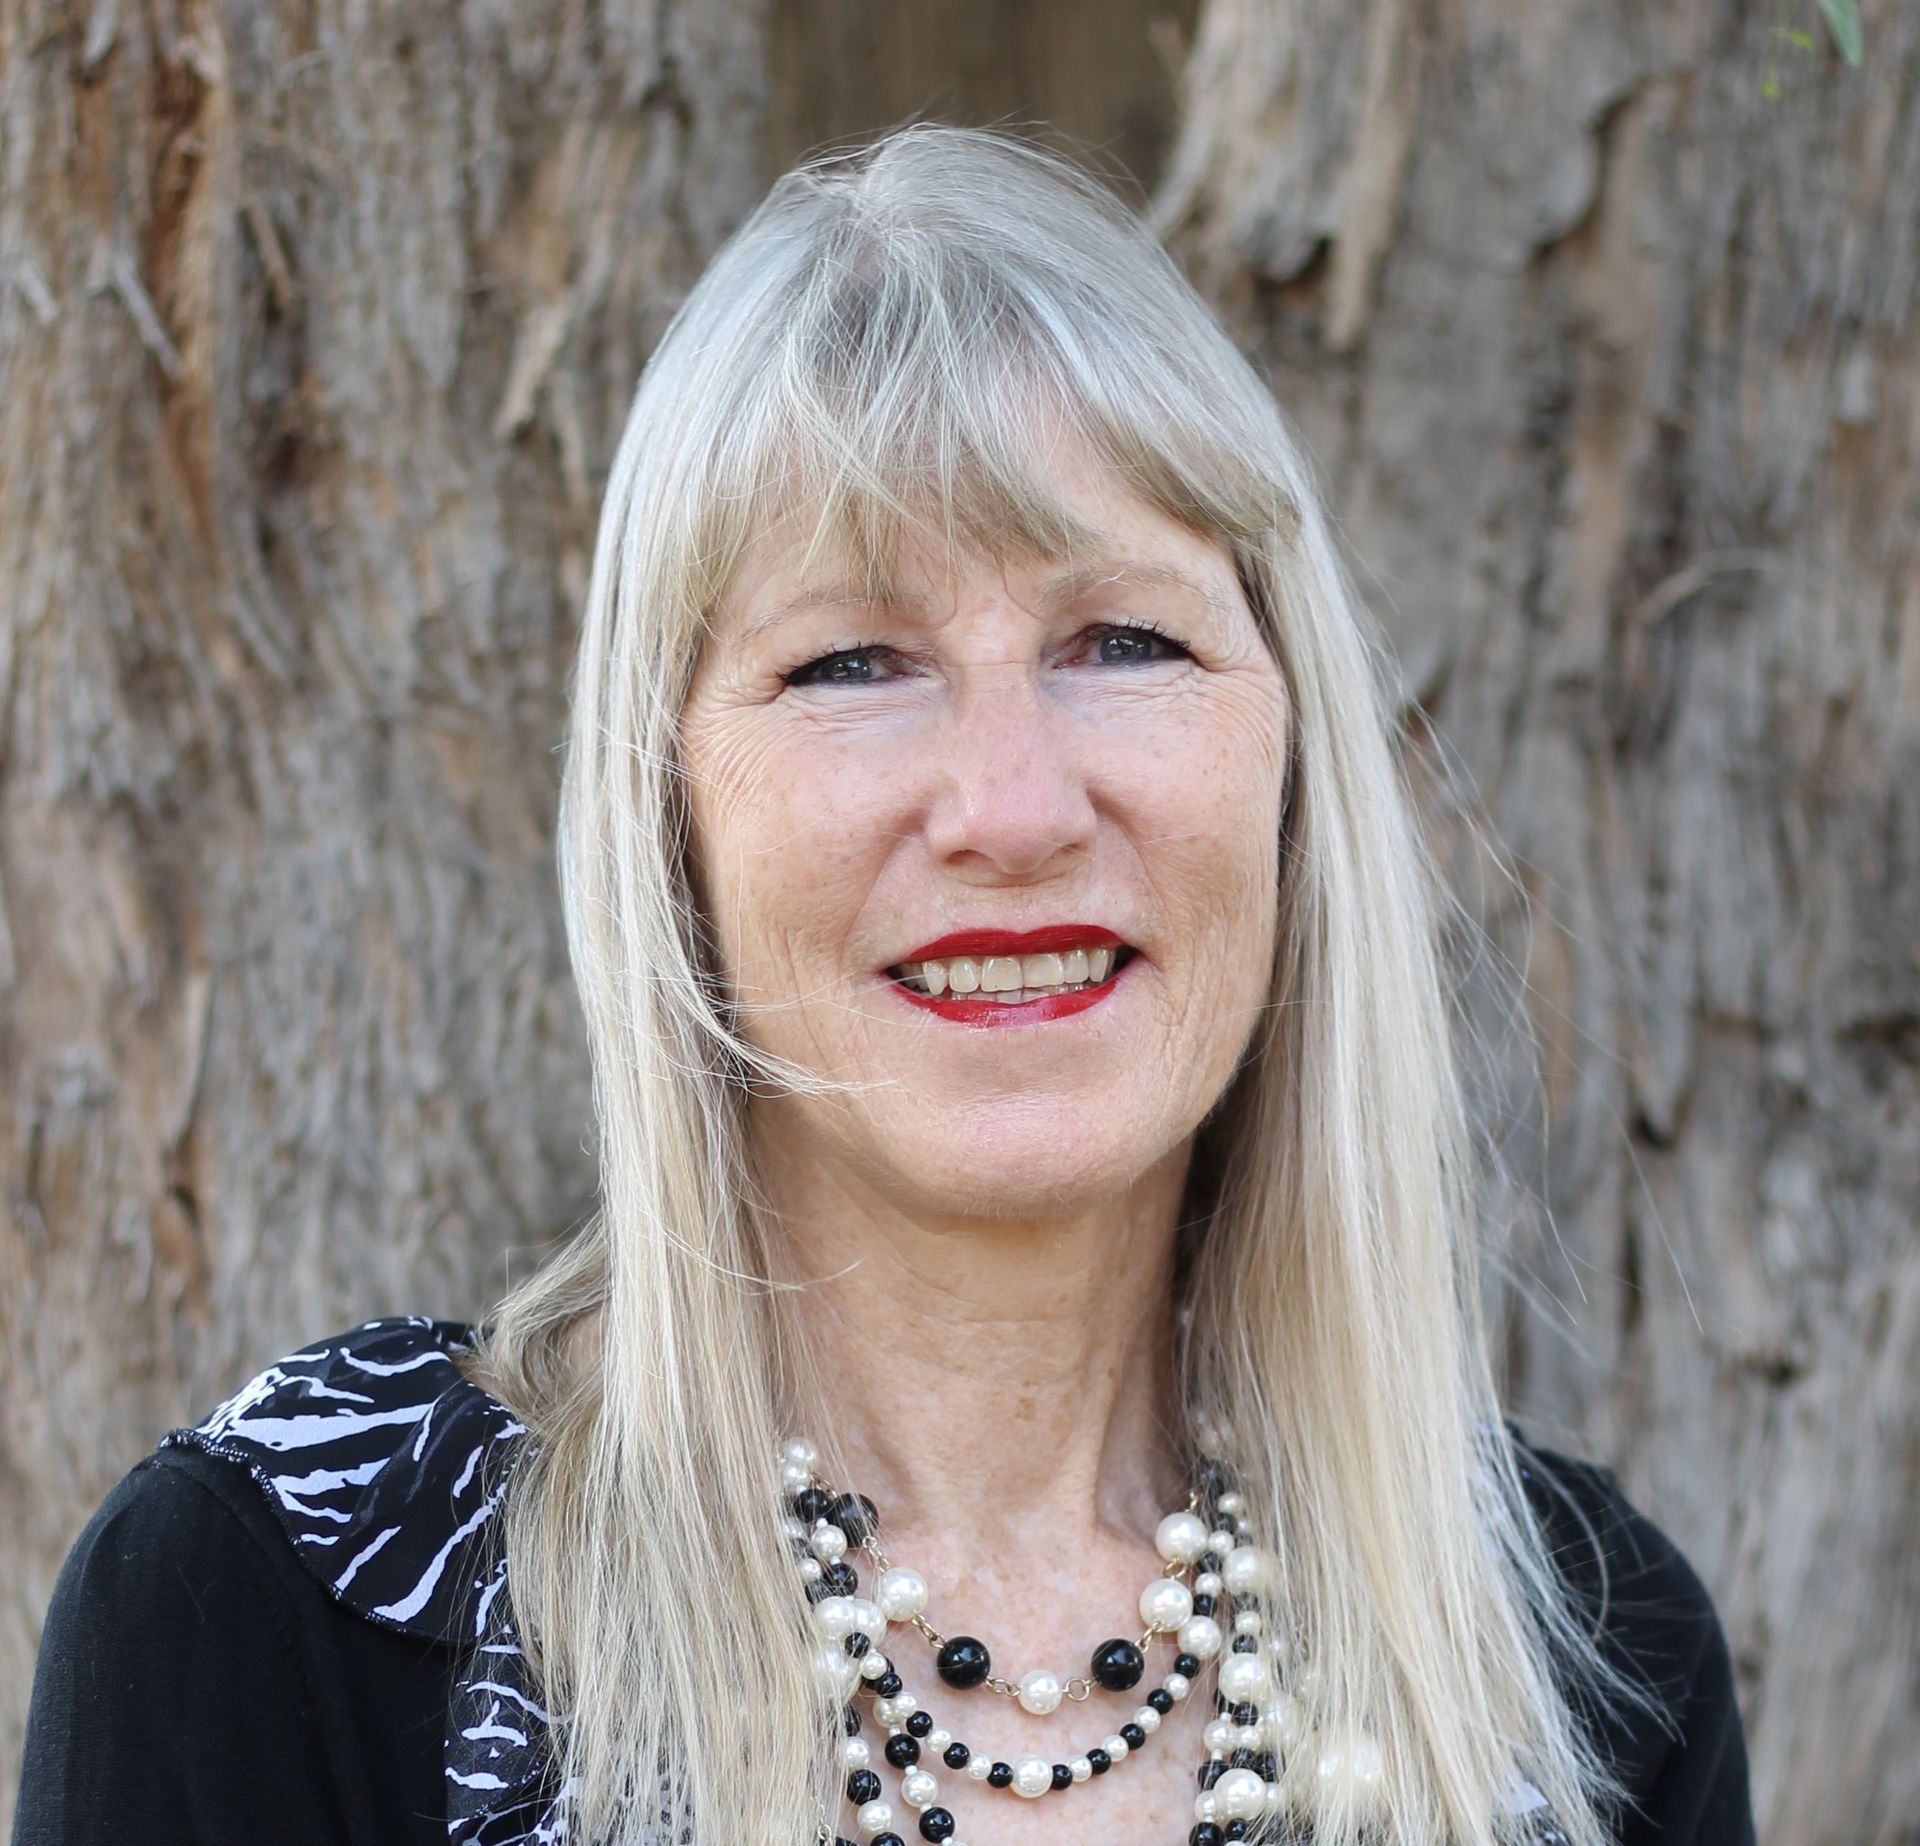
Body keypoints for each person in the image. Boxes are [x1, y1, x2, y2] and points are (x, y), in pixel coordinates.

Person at [12, 125, 1754, 1846]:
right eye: (852, 661)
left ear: (1293, 768)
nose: (1012, 806)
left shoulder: (1584, 1665)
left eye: (1124, 642)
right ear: (668, 810)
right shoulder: (278, 1610)